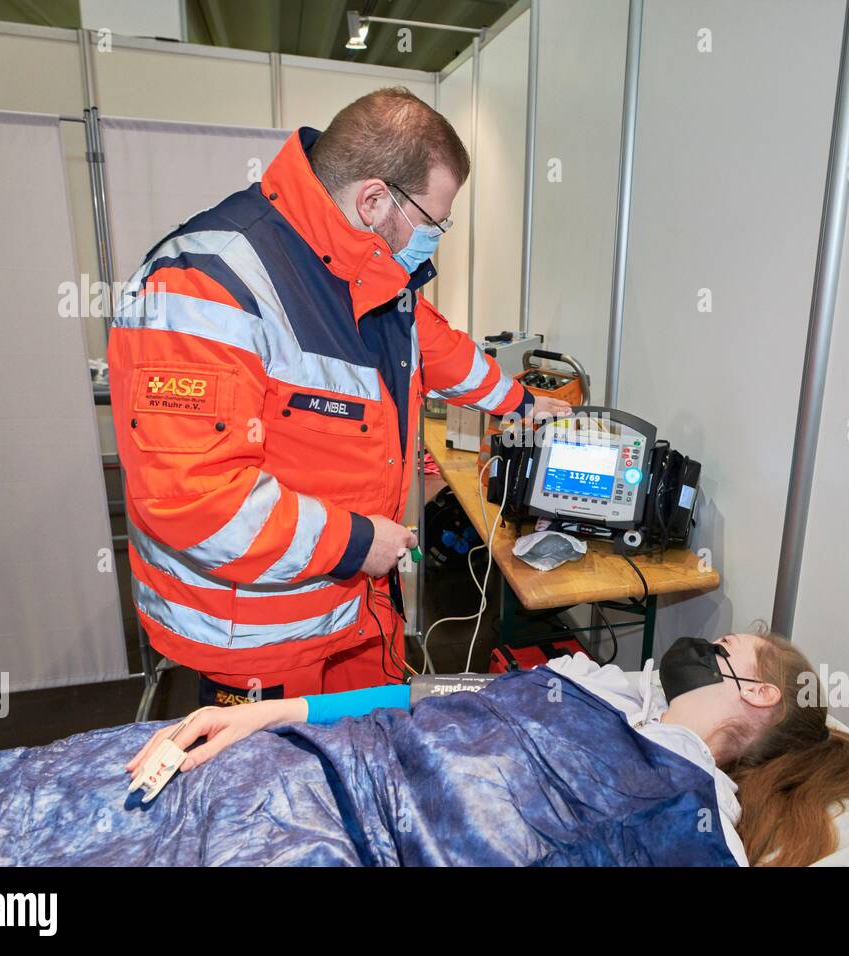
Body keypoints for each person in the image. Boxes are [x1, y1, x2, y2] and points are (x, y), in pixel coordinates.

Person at [108, 87, 571, 706]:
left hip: (357, 605)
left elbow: (439, 348)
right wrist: (356, 543)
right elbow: (198, 500)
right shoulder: (203, 285)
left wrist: (521, 404)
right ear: (375, 199)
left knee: (373, 766)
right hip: (261, 632)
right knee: (283, 796)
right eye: (435, 222)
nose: (437, 237)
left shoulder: (374, 269)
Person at [127, 632, 849, 866]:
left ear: (759, 693)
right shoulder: (598, 683)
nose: (707, 641)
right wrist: (277, 712)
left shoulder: (694, 820)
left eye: (732, 644)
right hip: (303, 765)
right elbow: (433, 698)